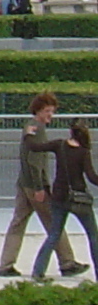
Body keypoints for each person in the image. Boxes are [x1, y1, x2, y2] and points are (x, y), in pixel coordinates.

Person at [0, 92, 80, 278]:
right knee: (54, 222)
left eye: (52, 111)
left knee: (18, 223)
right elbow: (34, 161)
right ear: (38, 110)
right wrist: (39, 187)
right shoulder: (38, 129)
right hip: (34, 186)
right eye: (47, 111)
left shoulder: (30, 126)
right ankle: (67, 262)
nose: (50, 114)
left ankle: (6, 264)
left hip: (23, 183)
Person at [33, 119, 94, 281]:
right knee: (93, 236)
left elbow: (36, 147)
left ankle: (38, 272)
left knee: (53, 235)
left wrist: (28, 135)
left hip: (59, 197)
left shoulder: (59, 145)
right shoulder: (83, 151)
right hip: (78, 199)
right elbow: (91, 177)